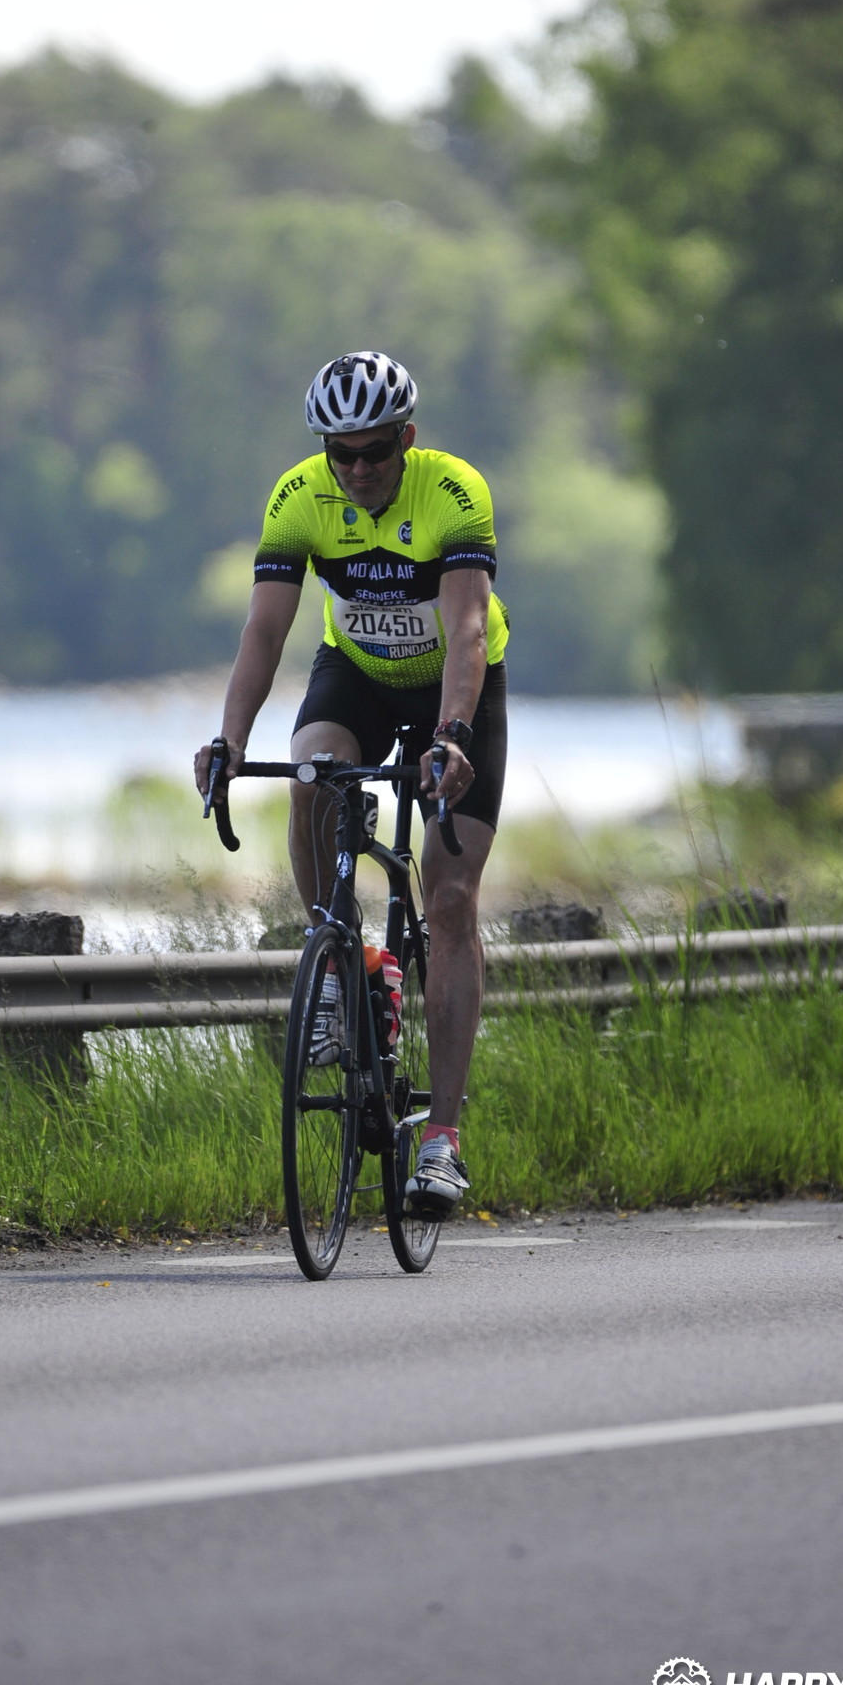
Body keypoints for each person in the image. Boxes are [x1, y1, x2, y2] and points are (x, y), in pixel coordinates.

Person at [193, 349, 508, 1216]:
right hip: (357, 674)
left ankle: (442, 1139)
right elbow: (264, 633)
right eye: (342, 454)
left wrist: (450, 737)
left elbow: (467, 628)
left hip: (456, 686)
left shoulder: (452, 492)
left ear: (406, 438)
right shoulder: (299, 497)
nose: (359, 470)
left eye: (374, 452)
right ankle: (342, 959)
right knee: (311, 776)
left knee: (450, 898)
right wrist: (229, 742)